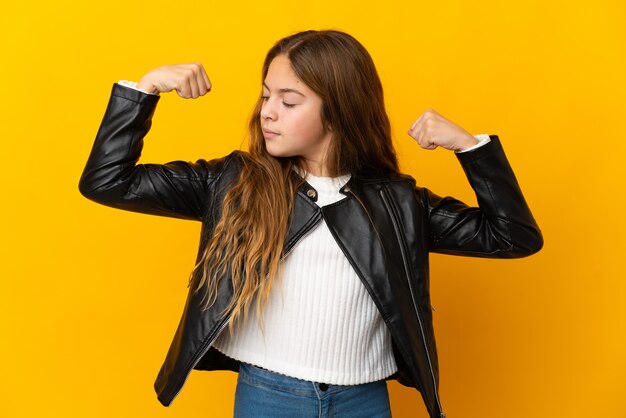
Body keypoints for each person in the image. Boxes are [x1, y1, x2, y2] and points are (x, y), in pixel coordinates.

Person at [78, 29, 542, 418]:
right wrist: (146, 89)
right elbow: (107, 182)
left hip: (364, 401)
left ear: (338, 109)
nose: (267, 111)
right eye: (265, 96)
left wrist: (470, 147)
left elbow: (512, 237)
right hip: (268, 397)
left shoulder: (395, 201)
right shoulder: (233, 182)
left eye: (289, 100)